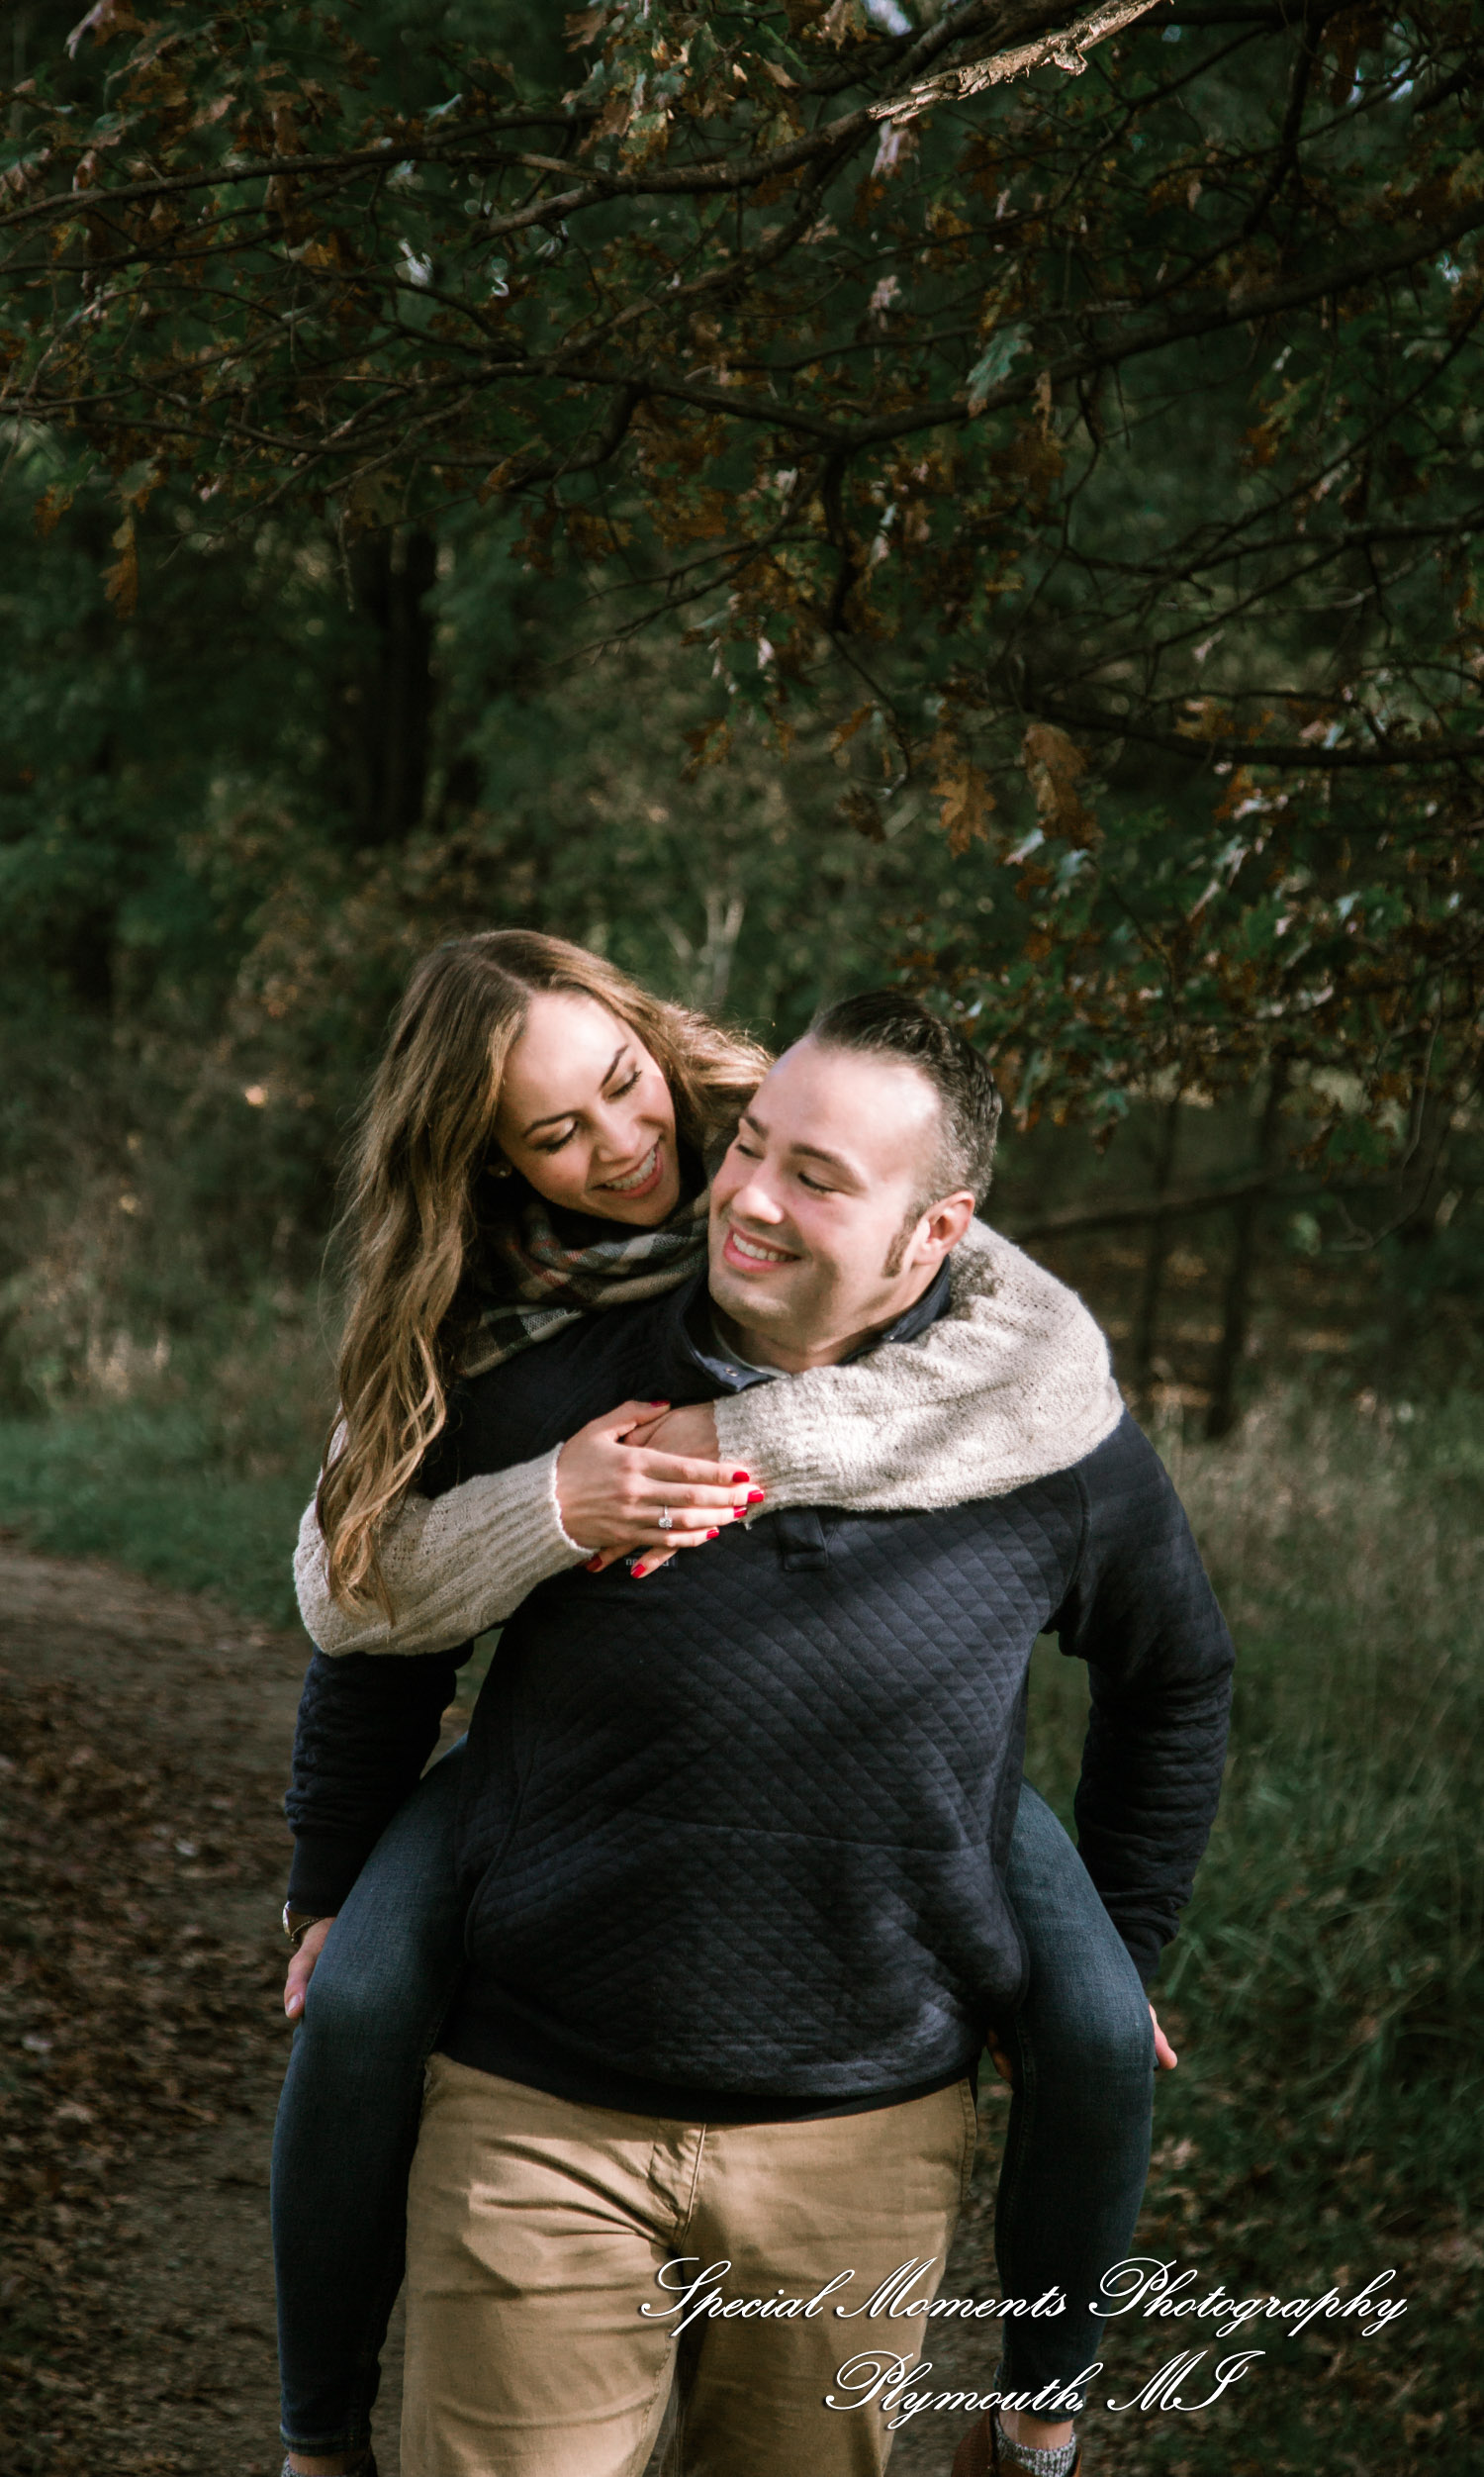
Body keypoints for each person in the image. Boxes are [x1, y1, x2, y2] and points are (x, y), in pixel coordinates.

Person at [277, 959, 1234, 2477]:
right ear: (493, 1162)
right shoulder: (523, 1344)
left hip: (860, 2125)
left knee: (1102, 2023)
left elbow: (1176, 1671)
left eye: (815, 1177)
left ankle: (1044, 2415)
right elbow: (375, 1622)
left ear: (933, 1234)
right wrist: (328, 1877)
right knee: (362, 1991)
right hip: (544, 2091)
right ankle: (316, 2431)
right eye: (753, 1152)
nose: (733, 1188)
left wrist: (1123, 1922)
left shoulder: (1024, 1401)